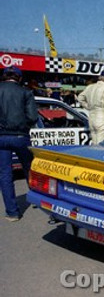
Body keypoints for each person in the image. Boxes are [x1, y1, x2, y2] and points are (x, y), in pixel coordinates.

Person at [0, 66, 38, 221]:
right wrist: (24, 126)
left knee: (5, 175)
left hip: (1, 137)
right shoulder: (25, 93)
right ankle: (37, 198)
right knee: (29, 168)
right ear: (19, 78)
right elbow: (33, 117)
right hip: (20, 136)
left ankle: (12, 212)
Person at [77, 68, 104, 144]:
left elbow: (80, 98)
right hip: (101, 116)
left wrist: (88, 106)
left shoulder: (90, 87)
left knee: (94, 142)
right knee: (102, 143)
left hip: (91, 116)